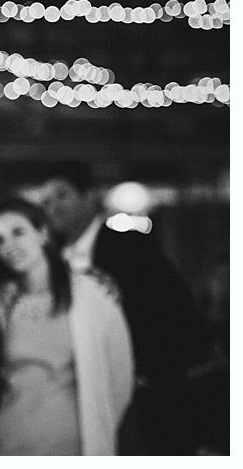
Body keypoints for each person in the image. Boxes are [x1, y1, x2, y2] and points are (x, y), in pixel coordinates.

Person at [38, 162, 211, 453]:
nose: (53, 207)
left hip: (143, 391)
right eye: (45, 202)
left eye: (61, 195)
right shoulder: (52, 260)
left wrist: (145, 373)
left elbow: (172, 310)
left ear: (87, 195)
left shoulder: (130, 246)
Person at [0, 197, 134, 455]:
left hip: (73, 441)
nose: (9, 246)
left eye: (18, 232)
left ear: (42, 233)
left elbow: (120, 371)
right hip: (10, 440)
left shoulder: (91, 293)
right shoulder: (1, 300)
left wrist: (102, 426)